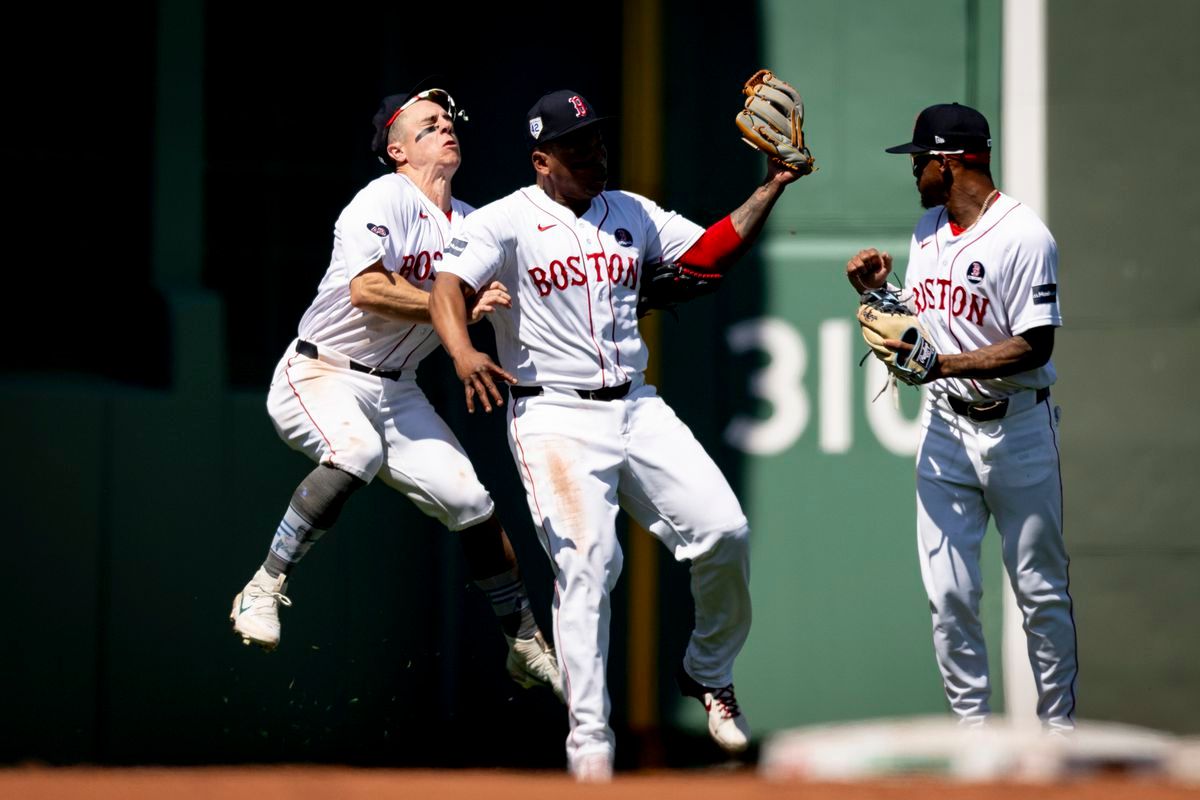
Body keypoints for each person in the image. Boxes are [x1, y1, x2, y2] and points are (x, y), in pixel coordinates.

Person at [429, 89, 803, 781]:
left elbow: (709, 254)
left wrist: (772, 184)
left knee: (724, 531)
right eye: (577, 148)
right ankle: (590, 748)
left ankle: (708, 672)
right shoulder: (505, 221)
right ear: (542, 160)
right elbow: (446, 287)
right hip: (553, 417)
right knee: (589, 568)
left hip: (636, 406)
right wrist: (460, 351)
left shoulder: (629, 210)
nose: (595, 155)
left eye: (598, 142)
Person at [228, 83, 563, 702]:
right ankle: (263, 584)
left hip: (399, 391)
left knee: (470, 501)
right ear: (398, 148)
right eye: (429, 124)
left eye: (448, 121)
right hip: (322, 371)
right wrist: (458, 302)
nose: (446, 129)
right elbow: (368, 290)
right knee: (355, 451)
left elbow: (536, 282)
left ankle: (521, 641)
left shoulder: (472, 223)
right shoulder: (383, 196)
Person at [845, 103, 1077, 731]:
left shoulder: (1023, 235)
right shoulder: (926, 230)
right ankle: (972, 737)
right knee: (949, 595)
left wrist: (941, 366)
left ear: (952, 161)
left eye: (920, 159)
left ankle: (1057, 735)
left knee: (1039, 591)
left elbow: (1036, 343)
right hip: (946, 427)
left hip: (1019, 427)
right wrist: (876, 295)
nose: (913, 168)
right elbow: (925, 330)